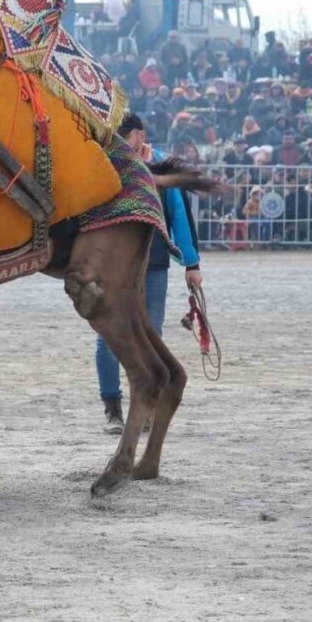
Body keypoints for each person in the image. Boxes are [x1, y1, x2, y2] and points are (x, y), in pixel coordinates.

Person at [97, 113, 203, 434]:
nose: (119, 145)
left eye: (124, 138)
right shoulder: (105, 166)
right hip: (112, 264)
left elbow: (179, 218)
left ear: (140, 135)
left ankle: (144, 405)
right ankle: (112, 408)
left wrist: (192, 264)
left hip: (155, 260)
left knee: (151, 335)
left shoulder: (160, 167)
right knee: (107, 336)